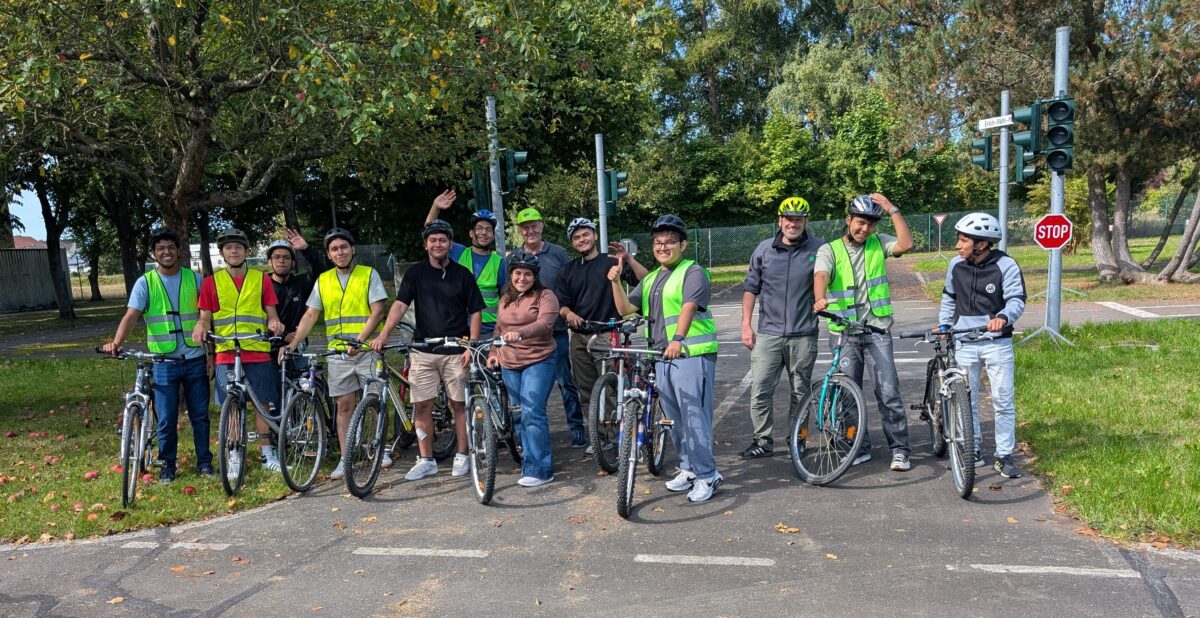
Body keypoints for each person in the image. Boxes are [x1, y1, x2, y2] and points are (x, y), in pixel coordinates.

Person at [608, 215, 722, 503]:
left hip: (690, 355)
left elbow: (688, 307)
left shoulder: (693, 271)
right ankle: (687, 468)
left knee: (694, 417)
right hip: (661, 357)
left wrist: (678, 339)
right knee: (674, 419)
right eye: (658, 243)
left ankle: (708, 475)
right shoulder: (651, 279)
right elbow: (624, 309)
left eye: (669, 241)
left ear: (682, 244)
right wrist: (615, 282)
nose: (663, 246)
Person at [371, 220, 484, 481]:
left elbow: (475, 311)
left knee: (459, 404)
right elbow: (400, 305)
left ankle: (463, 454)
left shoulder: (462, 274)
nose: (437, 244)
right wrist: (384, 333)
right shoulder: (415, 274)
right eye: (432, 240)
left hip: (455, 348)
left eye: (442, 240)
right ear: (426, 245)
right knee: (421, 405)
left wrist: (471, 344)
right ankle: (426, 459)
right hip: (423, 349)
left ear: (450, 244)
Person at [813, 193, 915, 472]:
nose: (865, 229)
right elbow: (820, 274)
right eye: (860, 222)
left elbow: (907, 244)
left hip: (876, 329)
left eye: (871, 224)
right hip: (844, 332)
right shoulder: (829, 250)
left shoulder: (878, 244)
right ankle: (857, 446)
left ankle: (900, 450)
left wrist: (892, 209)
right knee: (847, 394)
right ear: (848, 220)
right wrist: (819, 297)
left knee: (888, 391)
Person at [102, 228, 212, 484]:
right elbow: (131, 316)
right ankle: (168, 466)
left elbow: (207, 317)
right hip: (163, 362)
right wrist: (116, 343)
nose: (166, 252)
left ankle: (205, 463)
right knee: (166, 418)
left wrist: (211, 355)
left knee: (200, 415)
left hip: (194, 358)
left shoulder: (194, 279)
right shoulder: (146, 282)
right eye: (161, 248)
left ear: (179, 251)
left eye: (171, 248)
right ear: (154, 253)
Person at [285, 227, 388, 480]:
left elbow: (377, 311)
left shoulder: (368, 274)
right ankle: (346, 457)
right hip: (338, 353)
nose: (339, 252)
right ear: (329, 255)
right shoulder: (324, 280)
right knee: (344, 405)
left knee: (373, 401)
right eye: (334, 249)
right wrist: (293, 343)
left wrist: (360, 340)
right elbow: (311, 314)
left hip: (366, 350)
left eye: (343, 247)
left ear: (352, 249)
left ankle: (378, 448)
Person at [938, 213, 1027, 478]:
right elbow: (949, 299)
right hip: (965, 341)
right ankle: (973, 448)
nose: (958, 245)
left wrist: (1002, 317)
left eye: (964, 240)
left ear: (982, 243)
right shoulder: (956, 265)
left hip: (996, 343)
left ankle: (1004, 455)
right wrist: (944, 326)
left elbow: (1016, 301)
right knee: (967, 399)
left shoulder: (1006, 265)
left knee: (1003, 400)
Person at [193, 228, 285, 479]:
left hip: (255, 348)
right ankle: (234, 454)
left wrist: (274, 324)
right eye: (228, 247)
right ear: (222, 253)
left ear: (246, 251)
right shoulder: (212, 282)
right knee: (232, 406)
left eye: (238, 247)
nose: (233, 251)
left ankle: (267, 453)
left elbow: (272, 314)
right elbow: (204, 317)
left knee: (262, 404)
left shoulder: (260, 279)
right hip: (225, 351)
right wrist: (200, 327)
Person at [739, 197, 825, 458]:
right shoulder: (764, 250)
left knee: (801, 393)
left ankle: (797, 440)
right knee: (760, 390)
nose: (793, 223)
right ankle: (762, 441)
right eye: (789, 218)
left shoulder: (820, 248)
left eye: (798, 219)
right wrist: (745, 324)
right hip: (768, 333)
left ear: (805, 222)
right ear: (780, 220)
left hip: (804, 334)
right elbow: (750, 288)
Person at [555, 217, 648, 453]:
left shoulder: (610, 261)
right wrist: (568, 314)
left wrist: (628, 259)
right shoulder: (568, 270)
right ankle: (599, 437)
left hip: (608, 333)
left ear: (595, 236)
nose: (581, 240)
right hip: (579, 337)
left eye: (585, 234)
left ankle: (620, 436)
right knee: (586, 390)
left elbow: (645, 281)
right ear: (572, 243)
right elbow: (562, 304)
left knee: (611, 390)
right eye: (576, 237)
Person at [510, 207, 586, 448]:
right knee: (523, 389)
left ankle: (576, 428)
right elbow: (509, 292)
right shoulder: (512, 258)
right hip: (525, 335)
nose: (530, 230)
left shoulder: (558, 253)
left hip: (557, 330)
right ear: (519, 231)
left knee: (565, 381)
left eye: (534, 226)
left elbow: (568, 287)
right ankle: (526, 437)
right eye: (525, 227)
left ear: (541, 227)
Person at [488, 251, 560, 486]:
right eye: (517, 273)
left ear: (534, 276)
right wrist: (493, 352)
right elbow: (499, 328)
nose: (522, 278)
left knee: (532, 411)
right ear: (511, 275)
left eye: (527, 274)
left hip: (539, 359)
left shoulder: (545, 296)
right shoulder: (506, 297)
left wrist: (520, 333)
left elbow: (544, 324)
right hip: (509, 363)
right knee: (518, 413)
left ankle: (541, 469)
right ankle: (528, 460)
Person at [424, 190, 506, 336]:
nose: (484, 233)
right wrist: (435, 207)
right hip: (457, 324)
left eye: (488, 230)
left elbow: (506, 299)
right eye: (479, 228)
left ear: (493, 235)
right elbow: (431, 233)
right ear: (471, 233)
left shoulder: (499, 262)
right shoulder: (458, 252)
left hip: (488, 329)